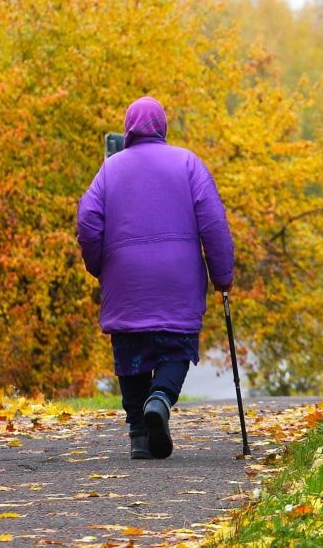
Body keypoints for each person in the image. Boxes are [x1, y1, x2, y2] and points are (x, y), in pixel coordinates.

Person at [76, 96, 234, 460]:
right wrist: (223, 276)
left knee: (130, 349)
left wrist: (99, 263)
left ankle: (139, 435)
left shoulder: (110, 169)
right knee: (176, 344)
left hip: (126, 281)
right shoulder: (188, 163)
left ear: (128, 128)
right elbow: (214, 223)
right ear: (162, 127)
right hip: (177, 281)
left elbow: (87, 222)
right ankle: (160, 399)